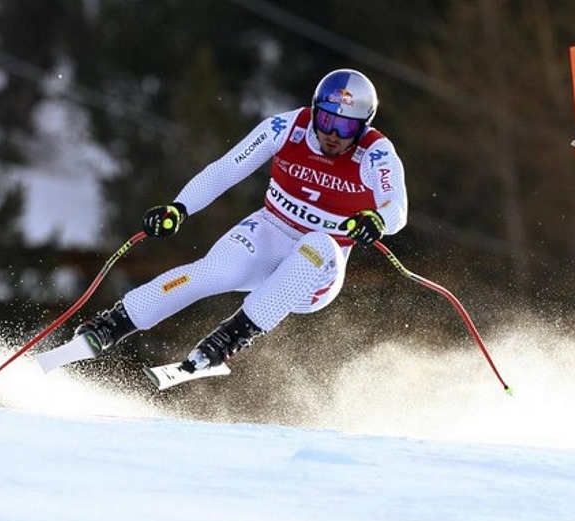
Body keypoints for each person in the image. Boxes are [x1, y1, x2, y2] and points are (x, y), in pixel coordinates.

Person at [74, 68, 407, 373]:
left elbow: (398, 208)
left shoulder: (375, 153)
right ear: (314, 111)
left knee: (318, 242)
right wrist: (179, 208)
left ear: (362, 126)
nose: (332, 134)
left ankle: (228, 338)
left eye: (345, 126)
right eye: (325, 120)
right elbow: (227, 168)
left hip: (316, 271)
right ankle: (110, 326)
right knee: (211, 272)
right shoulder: (287, 127)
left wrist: (378, 219)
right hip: (270, 231)